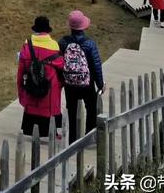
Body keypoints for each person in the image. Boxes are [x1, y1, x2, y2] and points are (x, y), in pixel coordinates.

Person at [59, 10, 104, 143]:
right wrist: (100, 84)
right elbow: (96, 65)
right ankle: (89, 136)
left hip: (69, 83)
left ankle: (73, 139)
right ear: (84, 26)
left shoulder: (63, 42)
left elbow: (60, 62)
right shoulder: (89, 43)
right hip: (86, 83)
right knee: (91, 108)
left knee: (72, 110)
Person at [17, 16, 64, 138]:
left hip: (32, 84)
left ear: (35, 30)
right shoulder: (53, 46)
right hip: (49, 87)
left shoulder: (27, 45)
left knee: (32, 107)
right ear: (48, 31)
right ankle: (51, 132)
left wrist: (21, 89)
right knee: (48, 109)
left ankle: (29, 129)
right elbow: (61, 64)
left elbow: (21, 70)